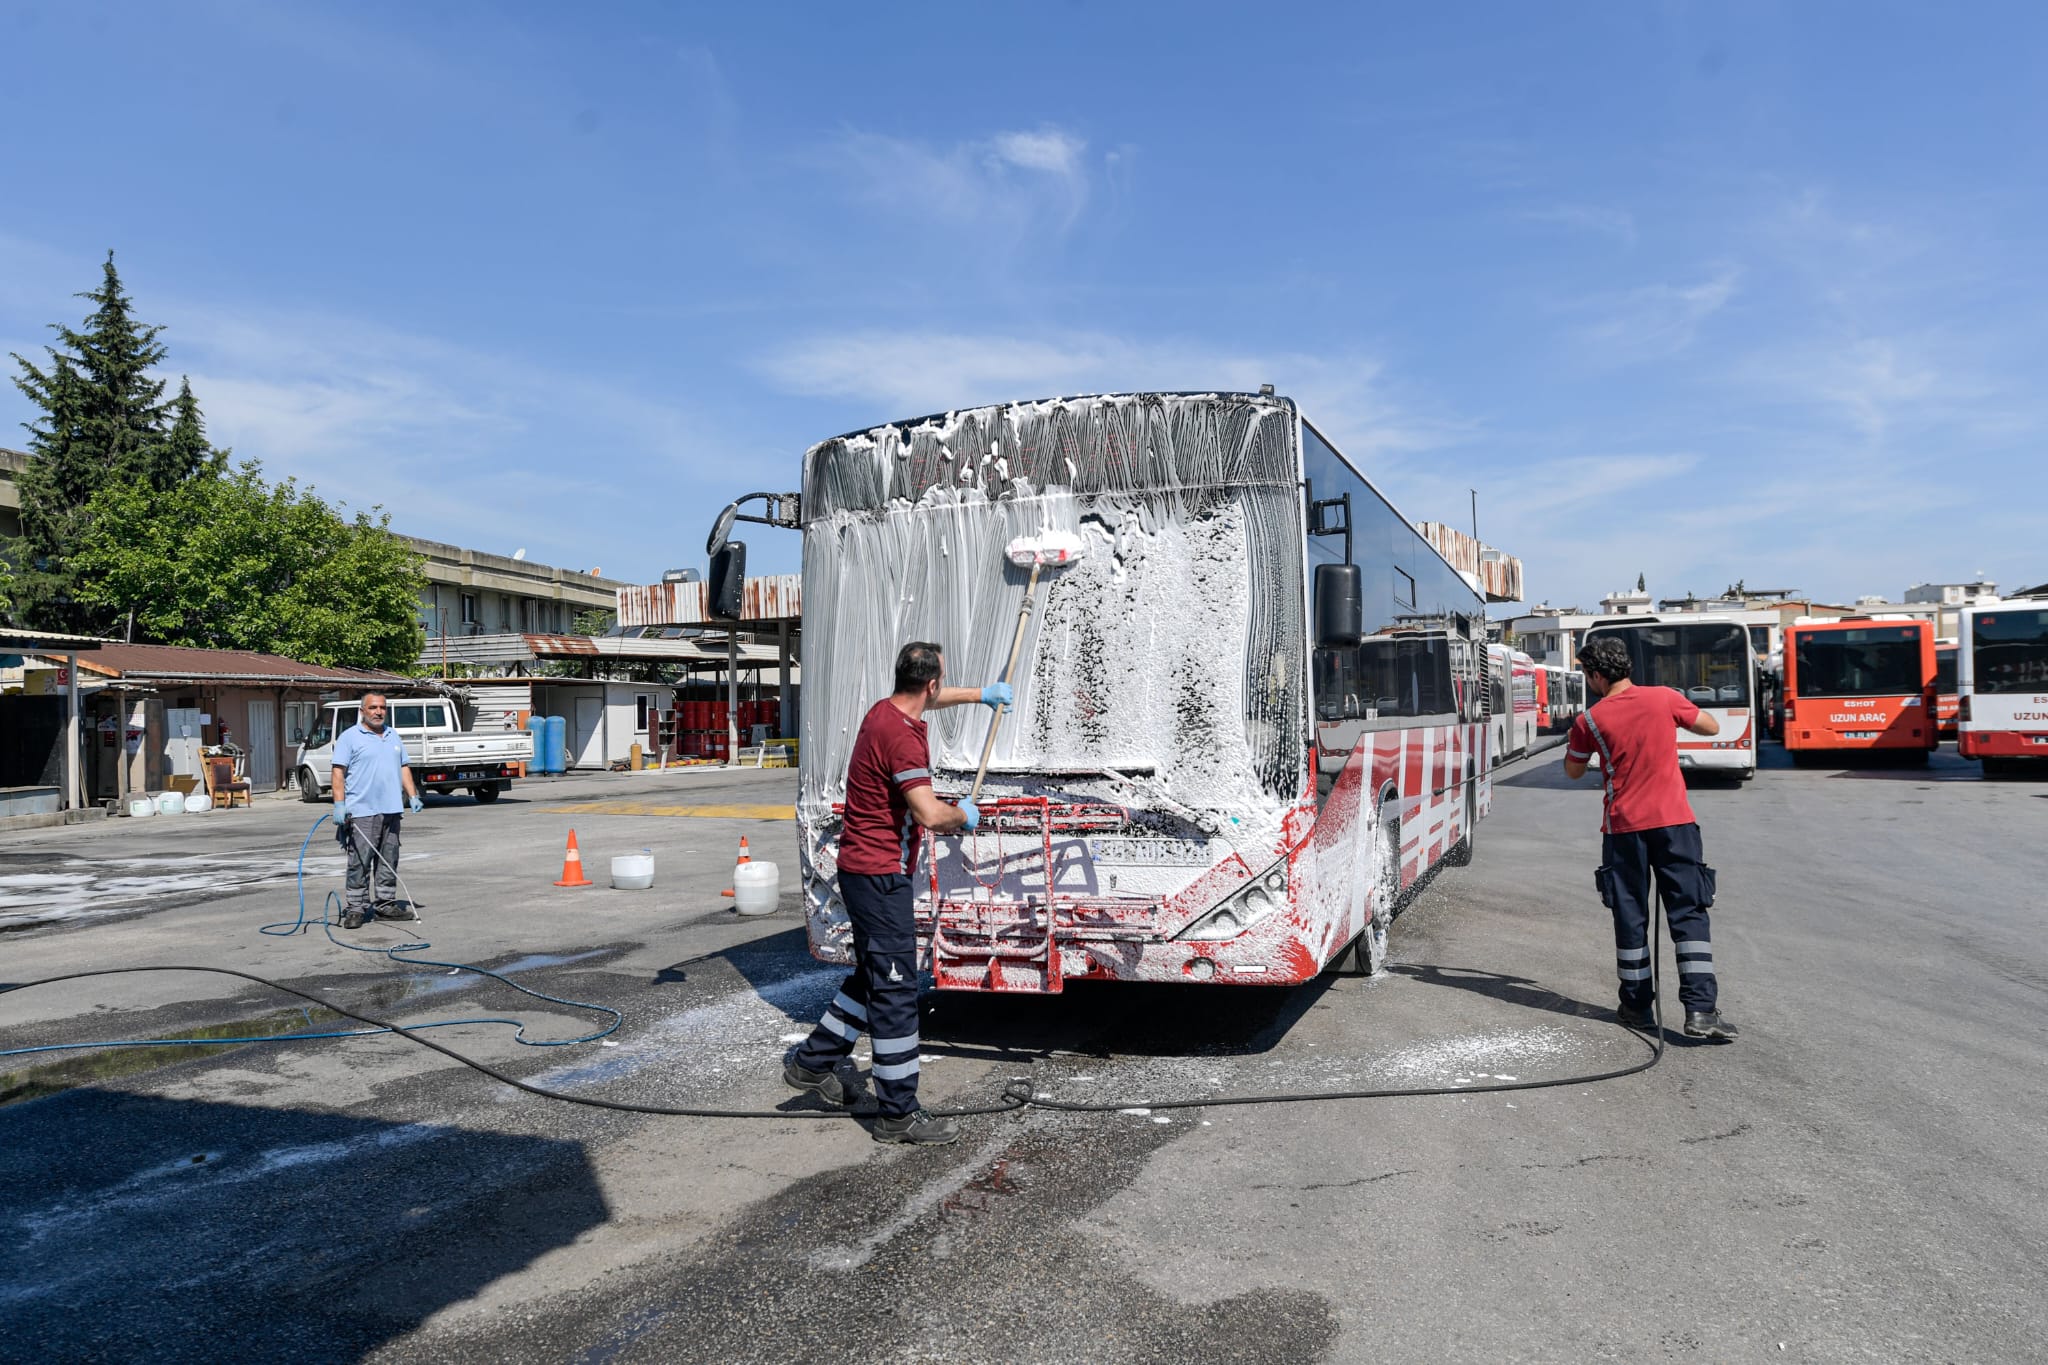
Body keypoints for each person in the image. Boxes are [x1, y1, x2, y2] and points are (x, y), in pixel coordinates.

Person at [784, 642, 1012, 1144]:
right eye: (940, 685)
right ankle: (897, 1112)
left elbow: (932, 697)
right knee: (895, 992)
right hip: (880, 876)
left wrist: (982, 696)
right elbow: (929, 814)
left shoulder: (884, 711)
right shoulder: (903, 739)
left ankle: (810, 1064)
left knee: (873, 976)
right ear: (928, 684)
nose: (938, 693)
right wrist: (963, 816)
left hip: (862, 870)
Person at [1562, 637, 1736, 1041]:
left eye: (1588, 675)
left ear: (1597, 675)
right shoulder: (1664, 698)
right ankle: (1700, 1012)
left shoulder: (1590, 720)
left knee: (1630, 918)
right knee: (1689, 911)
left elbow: (1573, 772)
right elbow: (1709, 727)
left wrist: (1580, 748)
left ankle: (1637, 1008)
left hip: (1623, 830)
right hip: (1675, 825)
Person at [331, 691, 424, 929]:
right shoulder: (349, 737)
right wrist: (339, 804)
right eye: (373, 707)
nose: (378, 712)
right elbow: (338, 772)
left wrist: (412, 795)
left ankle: (385, 905)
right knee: (359, 861)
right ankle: (356, 908)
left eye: (382, 707)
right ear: (362, 711)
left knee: (389, 858)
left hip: (392, 809)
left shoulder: (393, 736)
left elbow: (403, 767)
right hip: (362, 811)